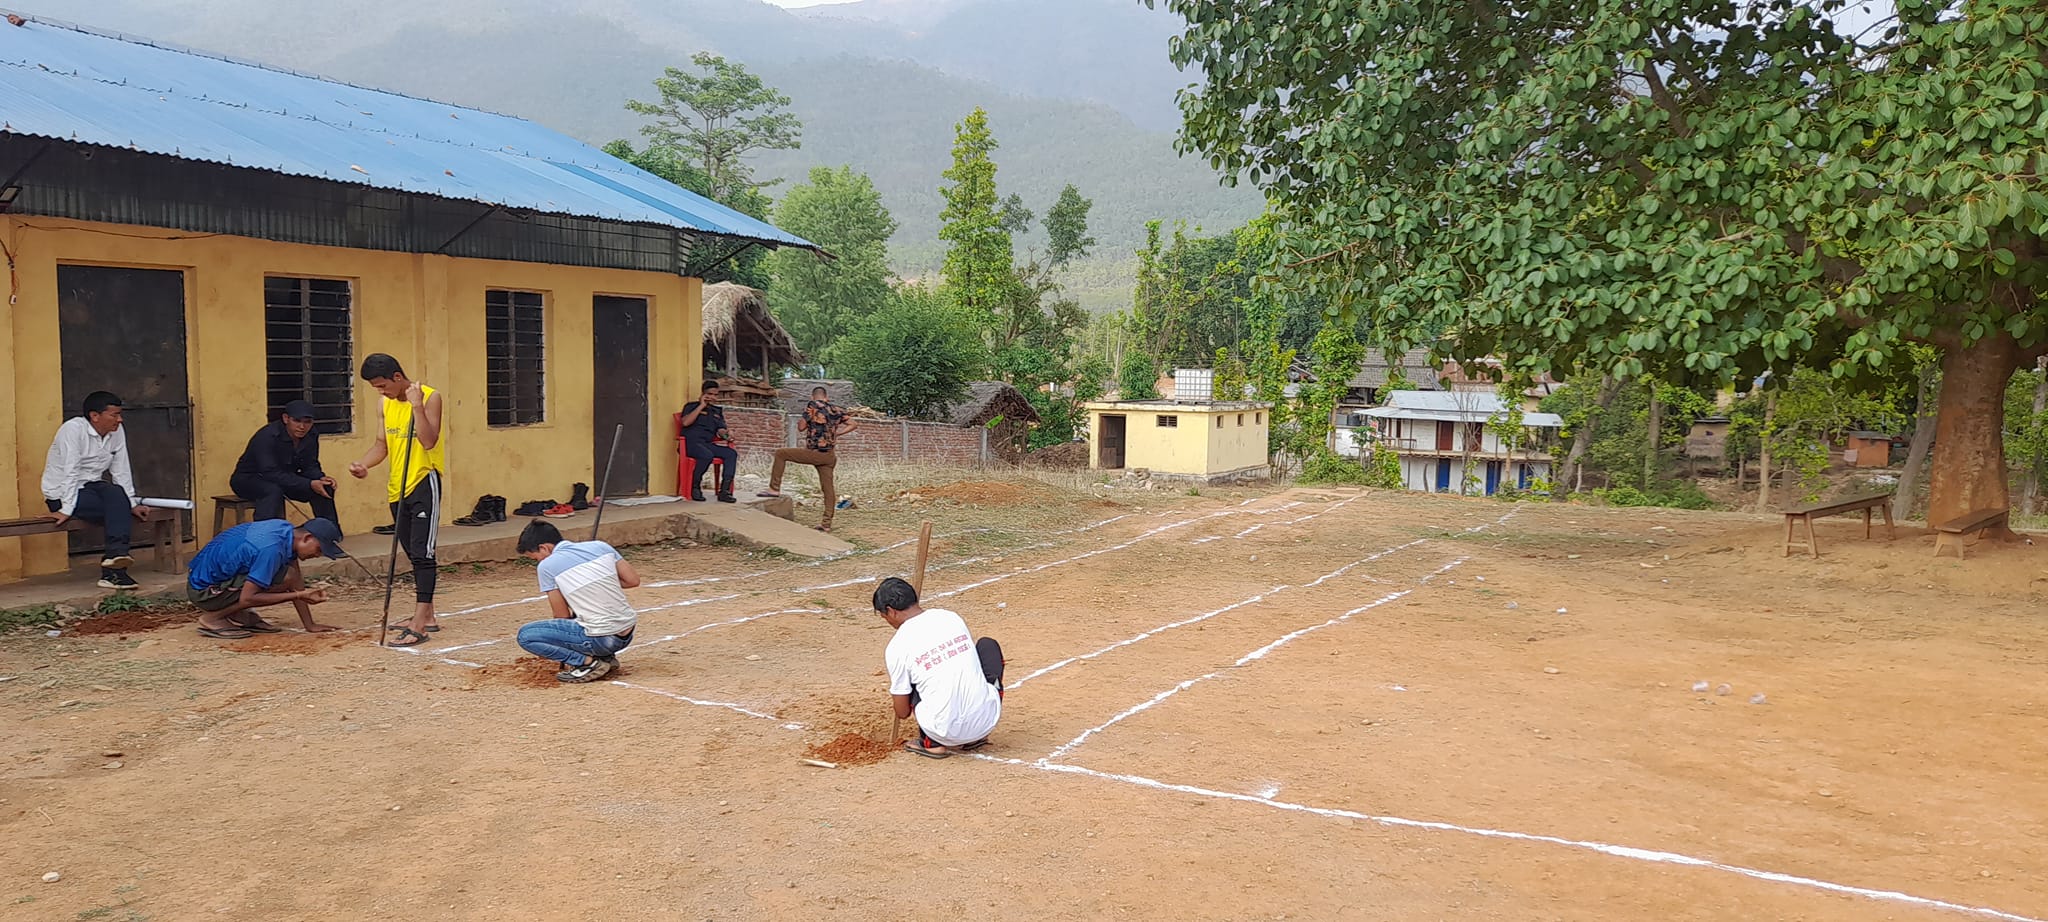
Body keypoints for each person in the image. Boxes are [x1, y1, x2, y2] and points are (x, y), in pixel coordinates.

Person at [348, 353, 446, 647]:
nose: (380, 392)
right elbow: (382, 444)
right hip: (397, 487)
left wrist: (416, 406)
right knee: (409, 549)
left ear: (397, 378)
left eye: (382, 386)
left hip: (423, 480)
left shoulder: (430, 397)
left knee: (422, 553)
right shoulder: (384, 404)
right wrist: (364, 464)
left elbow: (429, 440)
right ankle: (427, 615)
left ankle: (420, 623)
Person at [874, 577, 1004, 759]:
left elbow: (902, 712)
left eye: (884, 616)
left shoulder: (897, 647)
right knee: (987, 646)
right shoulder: (950, 617)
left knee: (914, 679)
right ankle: (976, 736)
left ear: (891, 611)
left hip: (942, 730)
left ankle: (931, 743)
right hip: (984, 722)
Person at [40, 391, 151, 590]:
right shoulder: (72, 430)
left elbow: (121, 468)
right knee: (117, 508)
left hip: (92, 486)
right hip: (62, 493)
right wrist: (65, 509)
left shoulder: (117, 431)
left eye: (120, 414)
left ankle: (115, 558)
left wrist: (132, 502)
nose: (120, 419)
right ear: (95, 416)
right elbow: (70, 471)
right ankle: (115, 573)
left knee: (118, 495)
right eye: (114, 415)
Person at [514, 520, 641, 683]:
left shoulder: (546, 566)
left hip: (601, 638)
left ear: (544, 547)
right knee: (586, 619)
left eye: (536, 558)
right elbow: (632, 580)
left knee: (526, 635)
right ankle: (605, 657)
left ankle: (588, 663)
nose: (538, 562)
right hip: (626, 632)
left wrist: (558, 646)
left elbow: (561, 615)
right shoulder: (601, 547)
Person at [185, 517, 347, 639]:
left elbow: (295, 579)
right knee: (278, 579)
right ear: (307, 538)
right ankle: (213, 618)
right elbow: (249, 598)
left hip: (213, 579)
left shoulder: (285, 531)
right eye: (318, 550)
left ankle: (238, 614)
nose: (317, 555)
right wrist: (299, 595)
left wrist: (309, 624)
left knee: (287, 575)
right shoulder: (271, 549)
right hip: (204, 591)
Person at [758, 385, 858, 531]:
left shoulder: (812, 406)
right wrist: (838, 434)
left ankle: (774, 488)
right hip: (829, 456)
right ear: (826, 397)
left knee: (781, 453)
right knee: (828, 489)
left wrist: (805, 416)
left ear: (812, 397)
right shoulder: (836, 409)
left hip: (814, 453)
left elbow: (801, 427)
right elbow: (854, 424)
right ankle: (826, 524)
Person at [230, 399, 340, 527]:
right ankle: (264, 535)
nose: (302, 427)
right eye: (297, 421)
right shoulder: (267, 436)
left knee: (324, 488)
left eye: (307, 422)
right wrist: (309, 483)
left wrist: (320, 478)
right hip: (250, 479)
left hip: (285, 478)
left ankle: (329, 533)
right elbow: (269, 472)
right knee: (272, 490)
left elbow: (310, 465)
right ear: (286, 418)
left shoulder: (311, 435)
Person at [678, 380, 738, 503]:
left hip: (707, 444)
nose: (713, 397)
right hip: (691, 443)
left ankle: (725, 491)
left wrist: (727, 434)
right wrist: (701, 406)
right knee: (706, 455)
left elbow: (720, 430)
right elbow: (685, 422)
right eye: (710, 394)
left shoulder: (717, 411)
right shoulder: (691, 406)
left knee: (731, 454)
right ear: (703, 394)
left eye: (715, 395)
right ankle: (695, 486)